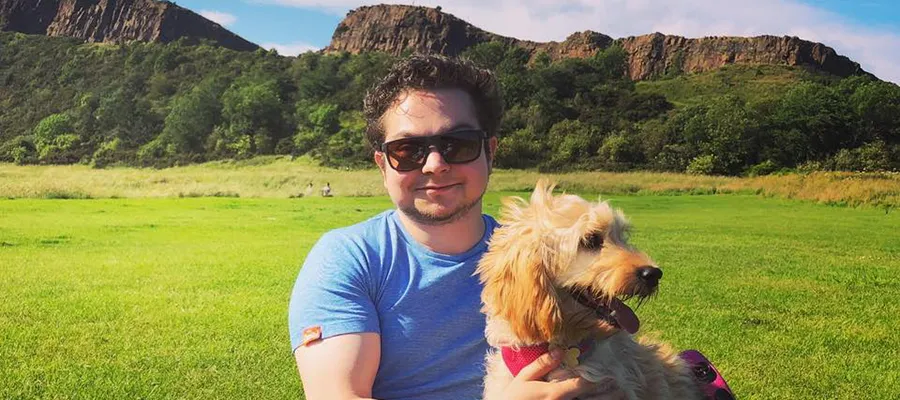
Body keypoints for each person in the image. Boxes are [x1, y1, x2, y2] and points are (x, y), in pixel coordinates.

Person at [288, 55, 617, 400]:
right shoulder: (350, 258)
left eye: (458, 144)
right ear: (383, 166)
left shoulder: (540, 255)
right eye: (407, 150)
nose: (435, 164)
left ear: (490, 152)